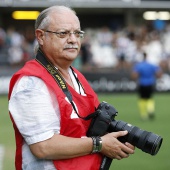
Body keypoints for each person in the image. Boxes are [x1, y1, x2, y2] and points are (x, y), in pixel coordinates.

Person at [8, 5, 135, 170]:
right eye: (63, 33)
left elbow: (85, 130)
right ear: (40, 36)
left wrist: (114, 138)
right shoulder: (32, 83)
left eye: (77, 33)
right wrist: (100, 144)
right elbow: (43, 146)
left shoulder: (76, 75)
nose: (73, 40)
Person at [132, 52, 162, 120]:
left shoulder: (139, 65)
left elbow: (134, 75)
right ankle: (150, 110)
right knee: (150, 98)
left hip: (142, 83)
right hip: (150, 83)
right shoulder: (151, 65)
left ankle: (143, 115)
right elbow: (159, 73)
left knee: (142, 99)